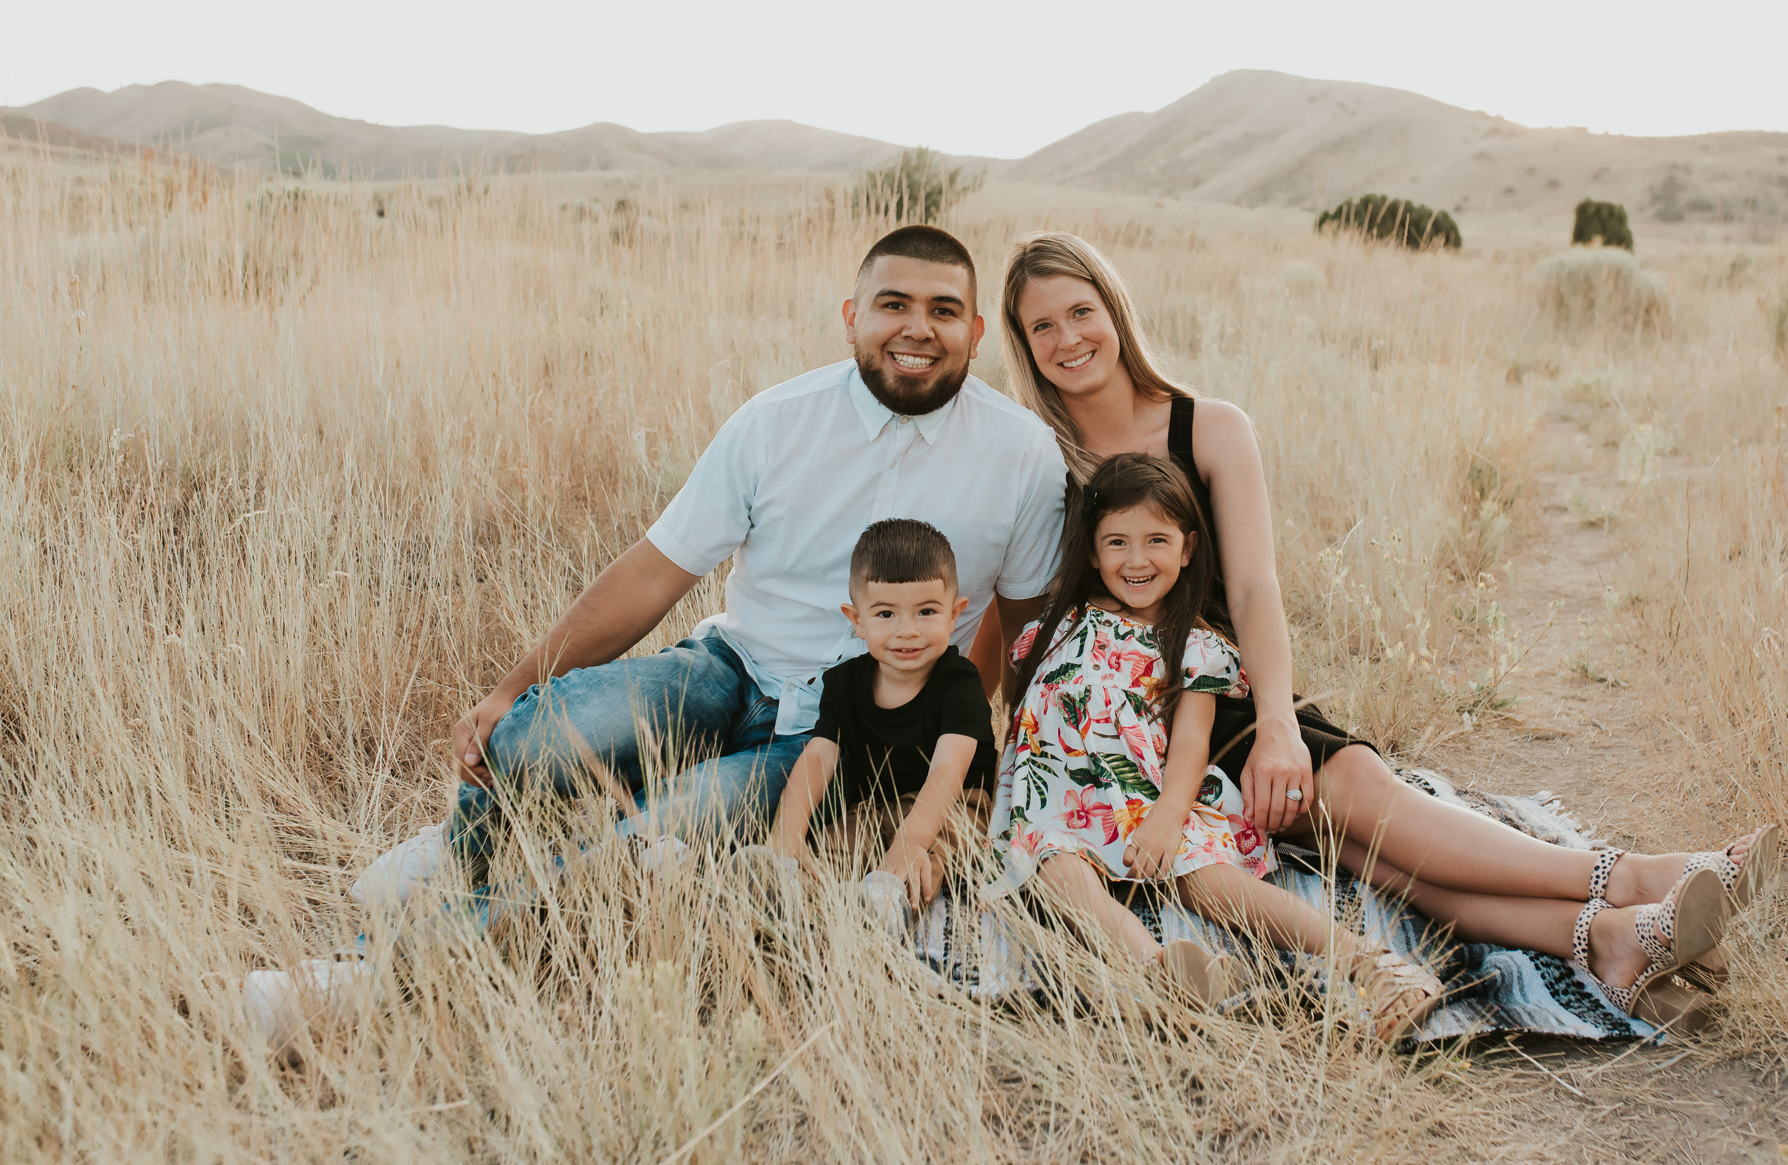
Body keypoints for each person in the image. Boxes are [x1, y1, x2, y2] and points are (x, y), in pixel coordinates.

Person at [993, 231, 1776, 1026]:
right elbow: (1028, 621)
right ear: (1022, 343)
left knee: (1364, 805)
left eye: (1081, 311)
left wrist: (1277, 723)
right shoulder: (1034, 458)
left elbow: (1256, 588)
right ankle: (1617, 920)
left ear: (1114, 309)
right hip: (1122, 725)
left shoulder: (1210, 428)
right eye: (1041, 326)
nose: (1068, 338)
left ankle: (1620, 903)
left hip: (1217, 692)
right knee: (1370, 855)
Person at [353, 224, 1067, 907]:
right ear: (852, 319)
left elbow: (1020, 628)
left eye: (943, 310)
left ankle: (380, 960)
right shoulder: (776, 421)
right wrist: (513, 686)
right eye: (894, 305)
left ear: (975, 333)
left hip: (837, 733)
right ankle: (458, 851)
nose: (918, 328)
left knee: (644, 839)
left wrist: (940, 735)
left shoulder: (1022, 454)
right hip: (729, 668)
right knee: (528, 736)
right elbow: (654, 572)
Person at [987, 452, 1447, 1037]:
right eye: (1117, 542)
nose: (1136, 559)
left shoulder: (1193, 646)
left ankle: (1373, 965)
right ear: (1093, 551)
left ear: (1187, 548)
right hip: (1058, 803)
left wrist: (1166, 818)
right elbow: (1021, 720)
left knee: (1205, 875)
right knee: (1054, 872)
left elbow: (1190, 743)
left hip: (1149, 794)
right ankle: (1159, 971)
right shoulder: (1053, 627)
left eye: (1156, 540)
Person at [767, 519, 997, 910]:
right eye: (886, 614)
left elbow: (948, 769)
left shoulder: (959, 683)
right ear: (857, 620)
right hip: (876, 806)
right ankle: (783, 893)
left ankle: (888, 906)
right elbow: (819, 756)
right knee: (833, 850)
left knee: (931, 858)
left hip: (958, 805)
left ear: (954, 614)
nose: (907, 631)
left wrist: (912, 840)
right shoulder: (844, 683)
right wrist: (787, 832)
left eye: (926, 611)